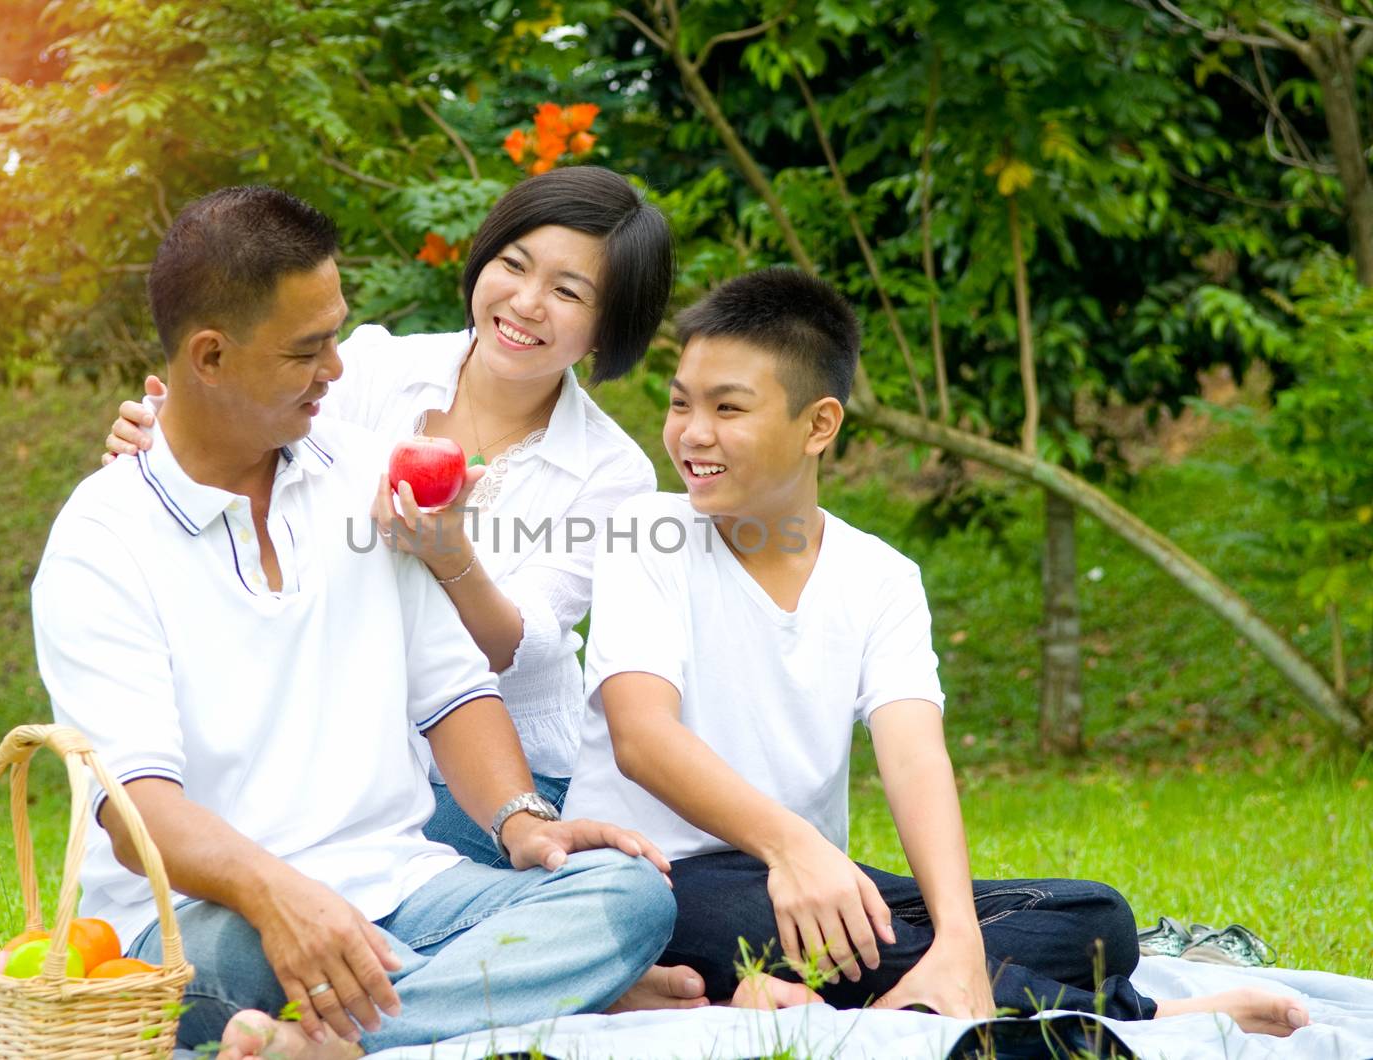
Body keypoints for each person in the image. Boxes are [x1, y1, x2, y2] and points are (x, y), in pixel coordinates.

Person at [560, 267, 1312, 1035]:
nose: (692, 433)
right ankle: (1152, 1014)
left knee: (1097, 919)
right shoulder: (644, 534)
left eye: (728, 408)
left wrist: (956, 936)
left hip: (816, 888)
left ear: (819, 425)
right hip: (662, 879)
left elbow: (915, 758)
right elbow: (643, 739)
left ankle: (892, 996)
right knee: (713, 919)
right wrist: (793, 848)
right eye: (681, 402)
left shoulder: (879, 576)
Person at [32, 185, 680, 1060]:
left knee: (625, 896)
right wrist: (280, 898)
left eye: (336, 336)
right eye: (310, 349)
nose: (339, 370)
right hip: (207, 919)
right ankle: (537, 996)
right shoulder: (102, 539)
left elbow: (455, 691)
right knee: (239, 958)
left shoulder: (370, 475)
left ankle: (334, 1037)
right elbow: (137, 807)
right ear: (211, 358)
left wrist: (527, 825)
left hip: (399, 882)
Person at [102, 166, 672, 870]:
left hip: (492, 778)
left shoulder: (612, 473)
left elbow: (505, 649)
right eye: (513, 265)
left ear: (607, 331)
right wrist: (162, 444)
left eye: (567, 292)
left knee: (370, 884)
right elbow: (243, 459)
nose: (526, 303)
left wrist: (448, 553)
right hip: (334, 752)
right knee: (267, 865)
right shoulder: (367, 369)